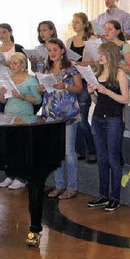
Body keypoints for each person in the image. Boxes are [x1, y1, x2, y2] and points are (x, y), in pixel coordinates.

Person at [86, 41, 130, 212]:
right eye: (99, 53)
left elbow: (125, 99)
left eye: (102, 54)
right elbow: (99, 101)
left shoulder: (119, 73)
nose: (100, 57)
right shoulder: (98, 73)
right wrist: (92, 94)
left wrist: (106, 91)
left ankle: (115, 197)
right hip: (98, 118)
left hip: (113, 120)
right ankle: (103, 195)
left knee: (113, 158)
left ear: (110, 54)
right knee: (102, 158)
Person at [40, 38, 82, 200]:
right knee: (55, 151)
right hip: (51, 112)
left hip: (68, 113)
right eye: (49, 50)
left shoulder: (71, 68)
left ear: (62, 51)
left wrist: (64, 86)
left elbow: (79, 88)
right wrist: (41, 88)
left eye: (55, 50)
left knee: (68, 152)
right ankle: (59, 185)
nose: (52, 53)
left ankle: (72, 186)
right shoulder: (45, 68)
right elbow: (45, 90)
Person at [0, 53, 42, 190]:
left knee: (21, 148)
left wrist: (21, 96)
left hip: (24, 117)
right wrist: (2, 93)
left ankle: (22, 177)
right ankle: (10, 174)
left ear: (23, 65)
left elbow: (38, 100)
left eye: (15, 63)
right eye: (11, 63)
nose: (12, 65)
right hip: (9, 115)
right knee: (9, 148)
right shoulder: (8, 78)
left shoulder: (30, 80)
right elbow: (3, 101)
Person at [67, 12, 98, 164]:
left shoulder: (92, 40)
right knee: (74, 118)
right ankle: (79, 150)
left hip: (86, 82)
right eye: (73, 22)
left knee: (83, 118)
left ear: (85, 24)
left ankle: (92, 150)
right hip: (72, 81)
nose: (74, 24)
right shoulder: (69, 41)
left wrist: (81, 64)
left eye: (77, 22)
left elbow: (98, 62)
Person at [0, 23, 25, 113]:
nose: (2, 35)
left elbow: (24, 68)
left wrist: (9, 64)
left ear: (10, 32)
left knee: (12, 110)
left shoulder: (18, 48)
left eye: (4, 32)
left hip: (14, 83)